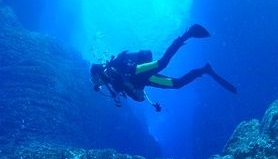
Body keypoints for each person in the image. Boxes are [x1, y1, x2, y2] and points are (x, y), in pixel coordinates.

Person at [90, 24, 237, 111]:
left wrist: (131, 91)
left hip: (138, 71)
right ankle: (205, 70)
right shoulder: (110, 79)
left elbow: (129, 85)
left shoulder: (110, 73)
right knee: (177, 84)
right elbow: (138, 94)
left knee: (163, 63)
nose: (97, 84)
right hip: (144, 78)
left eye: (94, 80)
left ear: (97, 74)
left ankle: (188, 34)